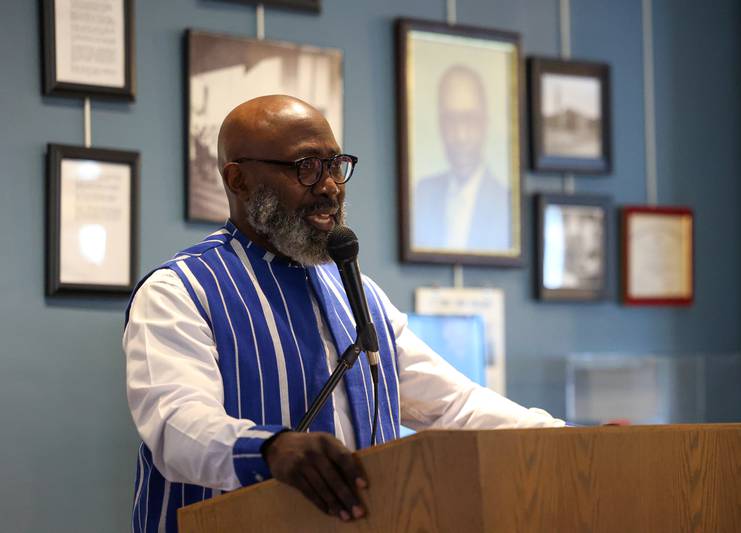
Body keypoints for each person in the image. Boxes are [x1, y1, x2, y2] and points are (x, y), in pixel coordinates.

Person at [124, 95, 563, 533]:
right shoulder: (180, 291)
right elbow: (175, 427)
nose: (330, 186)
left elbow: (453, 406)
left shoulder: (359, 294)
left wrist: (568, 437)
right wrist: (270, 450)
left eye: (335, 165)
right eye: (306, 167)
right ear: (238, 180)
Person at [413, 64, 512, 252]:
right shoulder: (423, 193)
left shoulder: (505, 201)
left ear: (485, 123)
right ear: (441, 125)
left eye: (470, 119)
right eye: (452, 120)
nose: (461, 135)